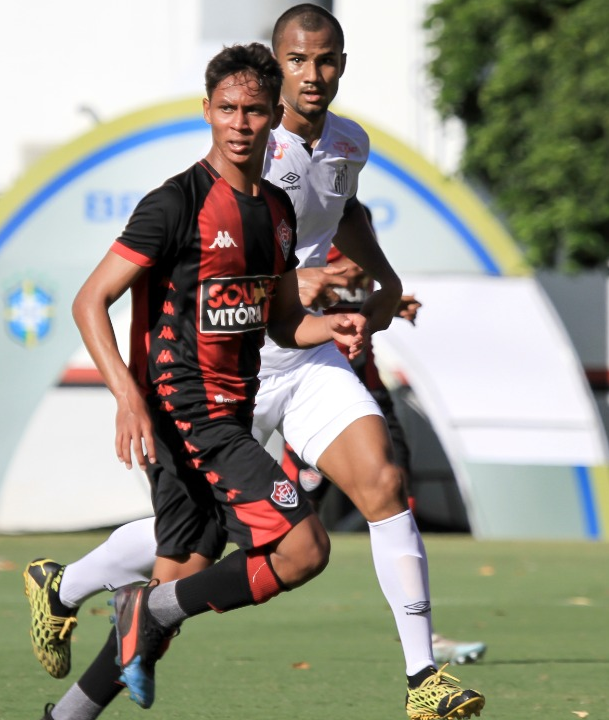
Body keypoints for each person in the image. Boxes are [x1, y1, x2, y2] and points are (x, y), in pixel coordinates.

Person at [26, 6, 486, 720]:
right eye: (298, 61)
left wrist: (362, 301)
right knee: (212, 551)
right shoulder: (213, 179)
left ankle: (422, 676)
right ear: (227, 102)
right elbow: (123, 290)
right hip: (209, 389)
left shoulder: (331, 157)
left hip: (287, 364)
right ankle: (73, 597)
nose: (313, 75)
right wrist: (129, 394)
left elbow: (337, 223)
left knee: (381, 481)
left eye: (325, 60)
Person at [36, 42, 367, 720]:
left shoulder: (276, 212)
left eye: (252, 111)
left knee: (185, 578)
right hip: (187, 415)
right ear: (207, 111)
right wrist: (128, 395)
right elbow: (88, 300)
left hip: (228, 415)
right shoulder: (175, 203)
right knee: (303, 549)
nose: (239, 124)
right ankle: (143, 608)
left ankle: (67, 714)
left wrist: (328, 328)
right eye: (226, 110)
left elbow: (278, 323)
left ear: (275, 116)